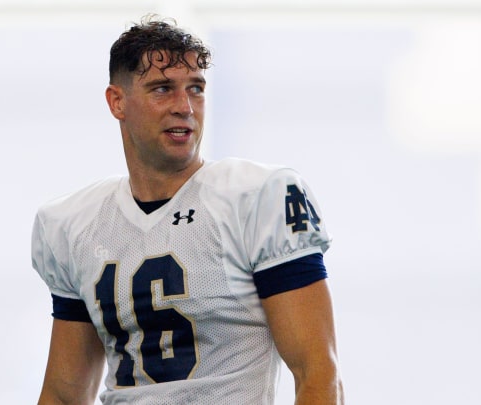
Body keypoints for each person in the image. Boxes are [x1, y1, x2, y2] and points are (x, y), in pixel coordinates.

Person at [31, 15, 344, 405]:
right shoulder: (74, 223)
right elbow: (64, 394)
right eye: (162, 89)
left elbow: (317, 373)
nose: (185, 107)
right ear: (117, 102)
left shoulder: (257, 197)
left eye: (195, 89)